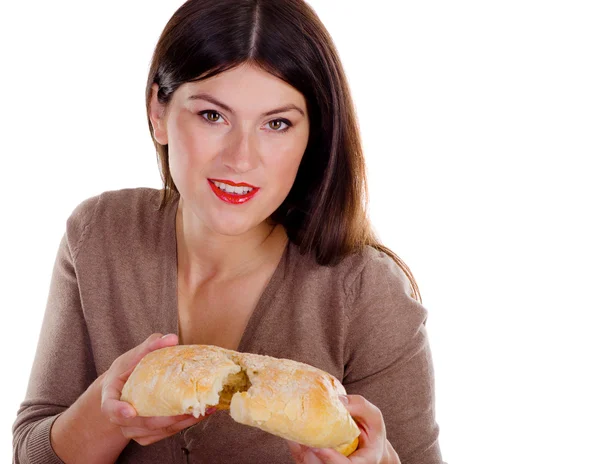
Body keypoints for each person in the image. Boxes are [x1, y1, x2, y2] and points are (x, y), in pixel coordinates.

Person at [12, 1, 444, 463]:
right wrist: (109, 410)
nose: (241, 158)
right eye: (213, 116)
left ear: (312, 134)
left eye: (277, 124)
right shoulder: (99, 236)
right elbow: (31, 453)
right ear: (158, 110)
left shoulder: (368, 293)